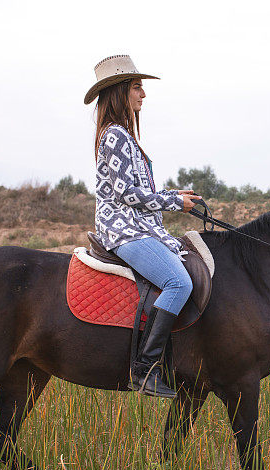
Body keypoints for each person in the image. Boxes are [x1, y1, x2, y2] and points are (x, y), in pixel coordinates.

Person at [84, 54, 202, 398]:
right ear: (121, 91)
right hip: (124, 230)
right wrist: (173, 203)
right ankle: (145, 369)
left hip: (138, 227)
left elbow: (141, 192)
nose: (143, 95)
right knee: (179, 282)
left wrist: (172, 194)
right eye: (137, 87)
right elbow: (129, 195)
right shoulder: (116, 136)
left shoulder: (122, 137)